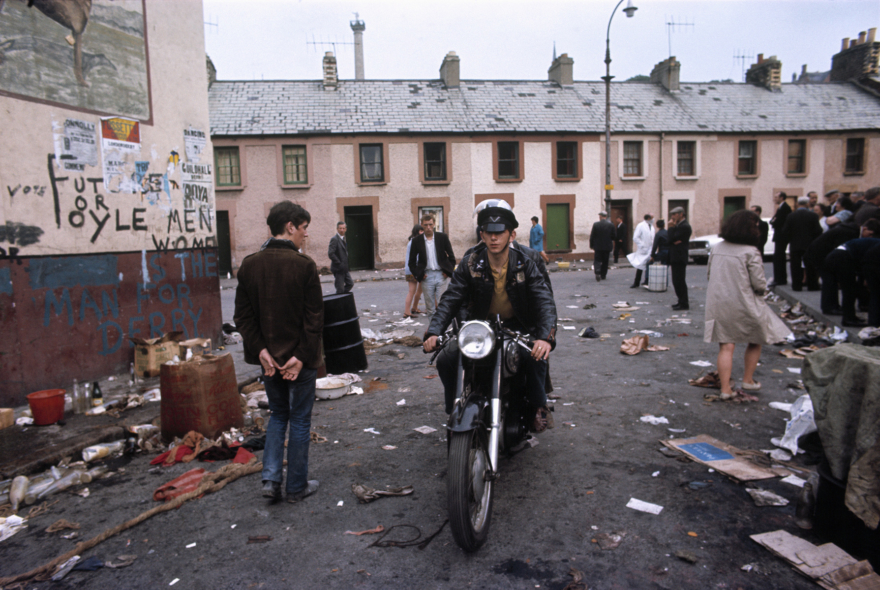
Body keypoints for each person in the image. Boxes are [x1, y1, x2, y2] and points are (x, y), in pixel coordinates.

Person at [423, 202, 557, 432]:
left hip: (518, 325)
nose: (494, 238)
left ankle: (537, 406)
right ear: (482, 234)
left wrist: (544, 337)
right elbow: (451, 298)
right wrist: (434, 331)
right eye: (489, 233)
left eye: (500, 233)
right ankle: (455, 406)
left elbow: (544, 300)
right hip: (479, 327)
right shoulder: (471, 262)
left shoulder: (527, 262)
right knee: (446, 359)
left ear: (511, 234)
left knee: (535, 359)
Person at [234, 201, 323, 503]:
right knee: (298, 420)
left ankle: (270, 480)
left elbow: (242, 317)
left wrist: (260, 351)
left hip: (269, 362)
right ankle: (296, 486)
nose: (305, 235)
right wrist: (300, 356)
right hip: (300, 361)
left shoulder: (249, 264)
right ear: (290, 227)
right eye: (304, 228)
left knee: (277, 416)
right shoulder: (305, 265)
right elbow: (314, 319)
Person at [704, 210, 791, 399]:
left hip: (719, 302)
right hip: (744, 302)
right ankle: (748, 380)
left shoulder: (717, 247)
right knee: (756, 338)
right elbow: (759, 284)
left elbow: (710, 275)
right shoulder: (751, 252)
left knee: (726, 346)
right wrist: (761, 294)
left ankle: (725, 389)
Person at [821, 220, 880, 327]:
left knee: (848, 289)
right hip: (843, 258)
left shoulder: (872, 243)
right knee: (849, 290)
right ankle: (849, 318)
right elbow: (868, 261)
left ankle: (848, 316)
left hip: (836, 256)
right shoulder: (876, 245)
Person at [408, 214, 456, 318]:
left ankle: (440, 332)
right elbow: (411, 262)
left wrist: (448, 272)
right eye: (425, 225)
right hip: (427, 276)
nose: (428, 227)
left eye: (430, 224)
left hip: (441, 275)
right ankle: (432, 332)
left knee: (442, 306)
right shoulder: (417, 241)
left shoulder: (442, 237)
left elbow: (451, 257)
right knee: (430, 309)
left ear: (434, 224)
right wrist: (419, 275)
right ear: (422, 225)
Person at [782, 196, 823, 291]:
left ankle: (797, 285)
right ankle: (812, 285)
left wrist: (790, 239)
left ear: (797, 204)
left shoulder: (791, 216)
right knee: (810, 266)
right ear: (807, 204)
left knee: (795, 266)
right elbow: (818, 230)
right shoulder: (813, 216)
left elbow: (785, 231)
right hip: (809, 244)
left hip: (795, 245)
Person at [667, 207, 692, 309]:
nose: (672, 217)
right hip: (675, 257)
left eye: (674, 214)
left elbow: (670, 239)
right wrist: (673, 240)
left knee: (679, 281)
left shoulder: (684, 226)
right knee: (676, 281)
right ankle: (680, 301)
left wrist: (671, 228)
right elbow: (671, 240)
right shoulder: (678, 226)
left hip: (679, 257)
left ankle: (684, 303)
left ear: (681, 214)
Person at [769, 192, 793, 287]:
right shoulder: (781, 208)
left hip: (781, 236)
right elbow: (773, 220)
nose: (774, 199)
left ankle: (780, 279)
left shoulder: (785, 208)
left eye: (776, 197)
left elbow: (778, 221)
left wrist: (774, 222)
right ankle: (778, 278)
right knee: (778, 257)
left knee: (779, 257)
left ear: (781, 197)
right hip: (780, 236)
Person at [627, 213, 654, 288]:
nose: (653, 219)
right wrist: (642, 245)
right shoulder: (641, 225)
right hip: (643, 249)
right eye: (652, 218)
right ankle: (636, 282)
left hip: (650, 249)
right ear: (648, 218)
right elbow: (635, 237)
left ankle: (647, 281)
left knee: (649, 265)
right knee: (640, 266)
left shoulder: (651, 226)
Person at [403, 225, 424, 317]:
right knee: (413, 291)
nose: (423, 232)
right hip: (414, 269)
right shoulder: (416, 242)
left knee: (416, 290)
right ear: (418, 231)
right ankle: (407, 311)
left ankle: (414, 307)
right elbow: (418, 257)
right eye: (421, 230)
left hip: (409, 269)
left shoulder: (411, 241)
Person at [589, 211, 615, 281]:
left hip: (598, 246)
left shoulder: (596, 224)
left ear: (600, 216)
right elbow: (614, 236)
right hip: (607, 246)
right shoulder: (611, 225)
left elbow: (592, 236)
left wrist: (591, 245)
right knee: (605, 261)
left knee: (597, 260)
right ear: (606, 217)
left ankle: (597, 271)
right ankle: (603, 275)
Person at [328, 221, 353, 294]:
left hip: (344, 268)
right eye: (340, 228)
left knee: (350, 283)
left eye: (343, 228)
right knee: (340, 289)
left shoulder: (343, 238)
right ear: (337, 229)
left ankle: (341, 297)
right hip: (338, 268)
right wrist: (339, 263)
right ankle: (339, 300)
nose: (342, 230)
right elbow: (331, 253)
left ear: (346, 229)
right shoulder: (335, 239)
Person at [648, 219, 669, 286]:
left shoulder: (658, 234)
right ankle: (665, 283)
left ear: (657, 226)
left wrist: (652, 255)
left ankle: (648, 280)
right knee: (666, 267)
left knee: (650, 264)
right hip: (669, 252)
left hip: (662, 252)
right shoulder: (667, 232)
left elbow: (655, 245)